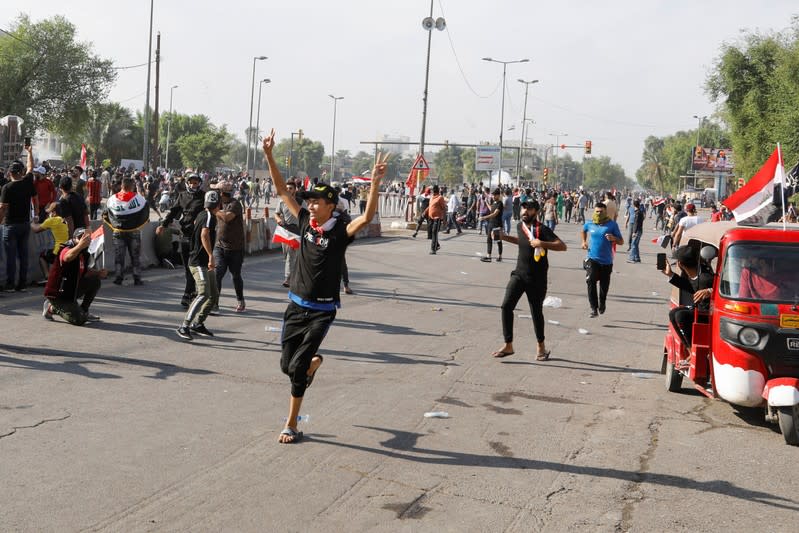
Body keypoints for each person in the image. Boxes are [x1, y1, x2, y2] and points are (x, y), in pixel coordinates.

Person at [263, 128, 389, 444]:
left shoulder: (342, 230)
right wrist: (269, 156)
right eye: (310, 201)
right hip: (296, 305)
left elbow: (368, 215)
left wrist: (374, 185)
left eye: (316, 202)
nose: (311, 206)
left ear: (330, 205)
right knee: (286, 366)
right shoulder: (304, 220)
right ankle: (312, 365)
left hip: (322, 310)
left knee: (298, 366)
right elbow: (281, 192)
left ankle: (291, 423)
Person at [491, 200, 567, 361]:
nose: (525, 211)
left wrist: (542, 243)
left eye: (529, 208)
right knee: (506, 306)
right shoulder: (520, 227)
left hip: (537, 279)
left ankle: (541, 347)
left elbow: (562, 246)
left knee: (536, 312)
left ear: (536, 211)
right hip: (519, 274)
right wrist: (504, 237)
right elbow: (522, 242)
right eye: (524, 208)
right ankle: (508, 344)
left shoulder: (542, 229)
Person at [176, 191, 222, 340]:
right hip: (198, 262)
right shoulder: (209, 217)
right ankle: (184, 326)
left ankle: (198, 323)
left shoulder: (202, 214)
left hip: (203, 262)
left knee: (213, 295)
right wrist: (210, 256)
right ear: (218, 204)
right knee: (203, 293)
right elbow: (204, 234)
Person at [157, 173, 205, 307]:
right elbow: (173, 212)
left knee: (195, 266)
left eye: (195, 183)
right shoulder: (182, 196)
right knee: (187, 267)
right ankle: (192, 291)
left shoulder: (204, 196)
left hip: (199, 236)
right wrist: (163, 225)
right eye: (191, 182)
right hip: (185, 234)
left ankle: (187, 294)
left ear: (199, 183)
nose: (193, 185)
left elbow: (210, 212)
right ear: (187, 183)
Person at [42, 227, 107, 325]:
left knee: (95, 281)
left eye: (85, 237)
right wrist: (80, 246)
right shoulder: (66, 248)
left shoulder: (84, 253)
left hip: (71, 290)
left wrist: (98, 273)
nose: (83, 240)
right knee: (80, 320)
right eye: (79, 237)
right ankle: (52, 308)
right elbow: (67, 257)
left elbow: (84, 271)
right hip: (59, 294)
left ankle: (84, 310)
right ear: (74, 238)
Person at [0, 147, 39, 291]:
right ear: (21, 172)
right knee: (23, 255)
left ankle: (10, 284)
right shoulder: (28, 182)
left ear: (10, 173)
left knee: (11, 256)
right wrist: (29, 152)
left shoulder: (7, 188)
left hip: (10, 225)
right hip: (25, 225)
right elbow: (31, 166)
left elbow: (3, 208)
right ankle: (22, 284)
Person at [660, 245, 713, 347]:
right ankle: (689, 348)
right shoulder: (694, 274)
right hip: (700, 311)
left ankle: (692, 349)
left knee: (681, 316)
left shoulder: (706, 277)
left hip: (709, 314)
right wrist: (670, 274)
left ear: (680, 264)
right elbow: (690, 286)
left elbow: (726, 287)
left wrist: (710, 290)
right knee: (673, 313)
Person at [104, 177, 149, 286]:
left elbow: (105, 214)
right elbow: (145, 213)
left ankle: (118, 278)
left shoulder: (112, 199)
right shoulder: (139, 199)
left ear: (122, 186)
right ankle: (137, 278)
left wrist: (114, 225)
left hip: (118, 231)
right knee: (135, 255)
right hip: (134, 231)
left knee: (119, 256)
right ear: (132, 186)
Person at [581, 202, 623, 317]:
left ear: (605, 212)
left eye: (601, 211)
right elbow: (583, 231)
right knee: (590, 281)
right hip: (592, 258)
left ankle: (602, 303)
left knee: (604, 286)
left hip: (606, 261)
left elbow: (621, 241)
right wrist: (584, 242)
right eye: (597, 211)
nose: (599, 213)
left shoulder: (612, 225)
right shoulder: (589, 223)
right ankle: (593, 308)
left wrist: (614, 238)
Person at [211, 181, 247, 312]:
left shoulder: (235, 204)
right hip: (219, 246)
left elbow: (227, 217)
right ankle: (214, 303)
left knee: (235, 275)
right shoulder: (218, 204)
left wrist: (215, 211)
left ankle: (240, 300)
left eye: (216, 192)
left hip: (235, 248)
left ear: (221, 193)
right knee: (217, 273)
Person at [31, 202, 69, 282]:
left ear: (54, 212)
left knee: (42, 256)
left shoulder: (52, 220)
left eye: (50, 212)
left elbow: (36, 229)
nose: (49, 215)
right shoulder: (63, 220)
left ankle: (47, 276)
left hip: (58, 250)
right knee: (48, 253)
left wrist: (32, 222)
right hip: (66, 248)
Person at [275, 180, 302, 288]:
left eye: (291, 188)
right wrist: (278, 220)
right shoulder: (282, 201)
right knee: (286, 256)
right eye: (287, 188)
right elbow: (276, 214)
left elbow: (306, 215)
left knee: (291, 255)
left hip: (296, 231)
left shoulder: (300, 202)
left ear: (295, 189)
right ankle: (295, 275)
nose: (289, 190)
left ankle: (288, 278)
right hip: (284, 231)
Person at [479, 188, 504, 262]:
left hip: (497, 224)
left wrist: (484, 217)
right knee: (489, 239)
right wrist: (486, 202)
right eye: (493, 195)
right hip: (491, 223)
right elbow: (491, 209)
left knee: (498, 240)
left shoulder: (500, 204)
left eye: (495, 195)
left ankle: (500, 256)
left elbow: (494, 214)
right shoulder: (494, 203)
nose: (493, 196)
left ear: (498, 195)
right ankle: (488, 256)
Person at [423, 184, 446, 255]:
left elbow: (443, 208)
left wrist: (444, 219)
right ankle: (437, 245)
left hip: (437, 218)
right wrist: (425, 211)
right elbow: (430, 206)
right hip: (430, 218)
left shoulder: (440, 198)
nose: (432, 191)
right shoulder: (432, 197)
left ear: (436, 190)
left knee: (434, 232)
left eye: (432, 190)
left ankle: (433, 249)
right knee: (430, 233)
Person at [626, 199, 645, 263]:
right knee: (636, 244)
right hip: (640, 230)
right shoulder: (640, 212)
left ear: (634, 205)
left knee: (633, 244)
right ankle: (637, 258)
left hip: (637, 231)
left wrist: (634, 232)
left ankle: (631, 258)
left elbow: (636, 223)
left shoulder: (637, 212)